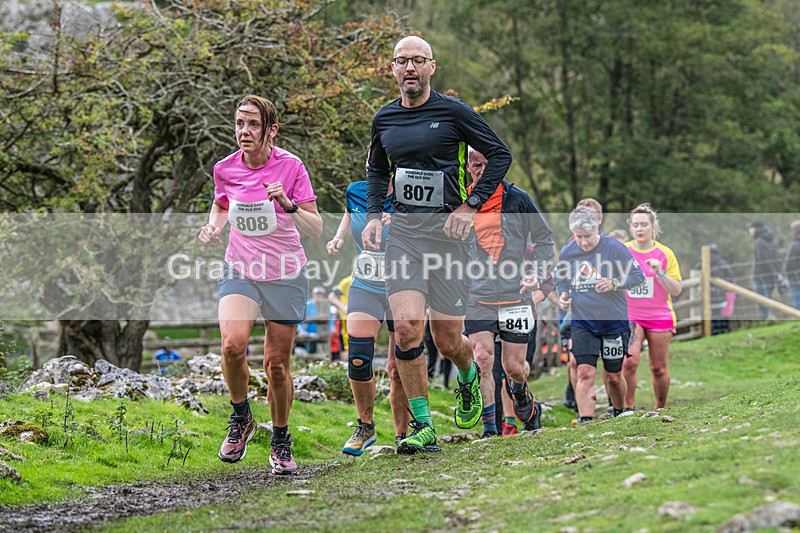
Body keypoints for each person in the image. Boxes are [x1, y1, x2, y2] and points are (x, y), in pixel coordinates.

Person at [362, 36, 512, 454]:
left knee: (448, 341)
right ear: (392, 69)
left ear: (431, 67)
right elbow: (376, 170)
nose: (409, 68)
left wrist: (470, 206)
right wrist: (374, 215)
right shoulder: (384, 118)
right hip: (405, 236)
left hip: (448, 238)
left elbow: (500, 155)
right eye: (402, 61)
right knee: (407, 331)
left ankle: (466, 373)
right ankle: (423, 426)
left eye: (417, 61)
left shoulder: (453, 111)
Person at [198, 94, 323, 475]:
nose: (244, 132)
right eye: (239, 123)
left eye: (253, 125)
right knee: (232, 345)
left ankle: (281, 440)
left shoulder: (291, 166)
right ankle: (242, 418)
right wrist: (214, 226)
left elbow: (316, 228)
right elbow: (222, 202)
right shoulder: (225, 168)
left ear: (271, 130)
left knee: (277, 365)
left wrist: (288, 203)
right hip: (241, 269)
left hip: (286, 273)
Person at [462, 147, 555, 438]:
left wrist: (536, 273)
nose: (481, 170)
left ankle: (521, 393)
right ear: (468, 168)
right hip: (478, 296)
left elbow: (544, 238)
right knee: (483, 359)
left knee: (514, 367)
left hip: (516, 296)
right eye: (475, 165)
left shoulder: (518, 199)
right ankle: (490, 429)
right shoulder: (461, 202)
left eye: (486, 164)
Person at [326, 179, 411, 454]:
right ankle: (365, 425)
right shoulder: (355, 190)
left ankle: (404, 434)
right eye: (370, 164)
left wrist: (401, 222)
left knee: (398, 366)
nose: (374, 170)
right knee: (359, 355)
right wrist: (339, 236)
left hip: (402, 284)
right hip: (366, 282)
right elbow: (350, 212)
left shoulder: (409, 191)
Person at [555, 206, 644, 422]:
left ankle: (620, 410)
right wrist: (564, 293)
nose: (584, 242)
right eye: (579, 237)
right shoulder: (568, 251)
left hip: (613, 321)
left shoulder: (614, 248)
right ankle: (586, 420)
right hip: (583, 322)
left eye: (588, 236)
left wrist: (614, 283)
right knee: (584, 372)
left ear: (597, 228)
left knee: (613, 376)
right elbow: (561, 278)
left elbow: (637, 276)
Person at [623, 204, 682, 410]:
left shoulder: (665, 254)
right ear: (631, 227)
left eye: (644, 225)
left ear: (653, 227)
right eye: (636, 225)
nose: (640, 229)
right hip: (631, 315)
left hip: (659, 315)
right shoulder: (623, 251)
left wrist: (660, 272)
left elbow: (676, 290)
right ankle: (627, 408)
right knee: (629, 361)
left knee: (658, 368)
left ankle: (660, 407)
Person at [693, 244, 735, 335]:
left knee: (708, 317)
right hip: (719, 296)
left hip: (705, 297)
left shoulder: (700, 263)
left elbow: (695, 277)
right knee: (720, 316)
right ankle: (722, 332)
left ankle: (710, 333)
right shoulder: (722, 264)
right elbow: (730, 279)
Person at [748, 221, 783, 319]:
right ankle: (770, 319)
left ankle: (767, 321)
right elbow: (777, 259)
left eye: (750, 228)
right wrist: (776, 273)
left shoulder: (759, 242)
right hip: (771, 277)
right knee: (768, 301)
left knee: (763, 304)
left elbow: (764, 261)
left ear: (755, 228)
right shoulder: (770, 240)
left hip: (762, 278)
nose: (749, 231)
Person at [328, 274, 353, 362]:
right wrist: (344, 308)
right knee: (347, 348)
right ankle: (348, 372)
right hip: (346, 319)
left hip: (362, 319)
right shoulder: (347, 281)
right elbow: (331, 296)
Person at [296, 285, 328, 353]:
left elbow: (330, 321)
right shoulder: (306, 305)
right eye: (317, 294)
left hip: (322, 334)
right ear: (313, 294)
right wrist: (301, 331)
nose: (319, 296)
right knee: (309, 352)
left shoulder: (326, 306)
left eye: (321, 294)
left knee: (323, 353)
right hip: (308, 334)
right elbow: (299, 320)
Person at [784, 220, 800, 310]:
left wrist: (789, 276)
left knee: (797, 308)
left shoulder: (795, 245)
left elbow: (788, 265)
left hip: (796, 281)